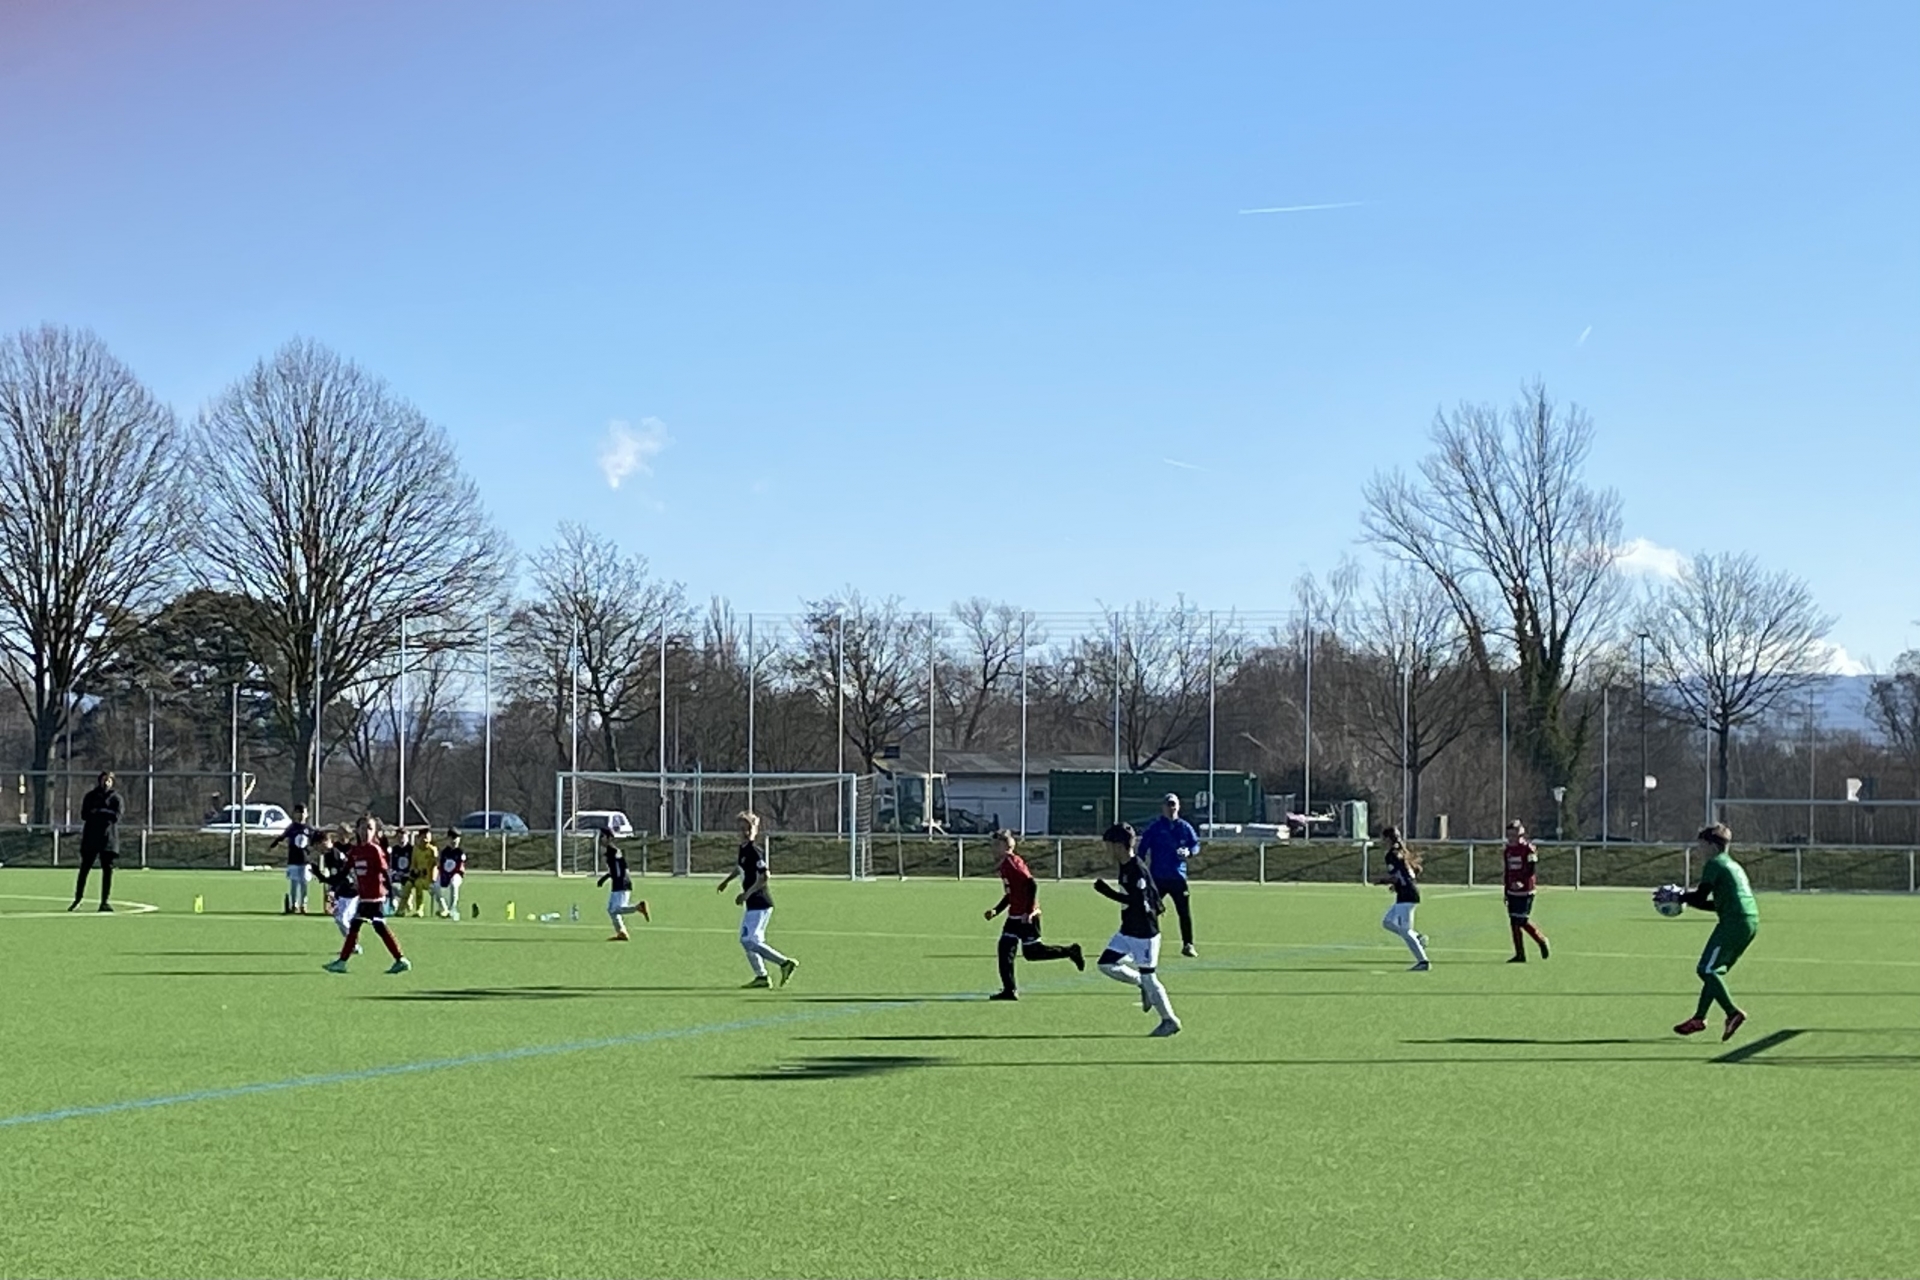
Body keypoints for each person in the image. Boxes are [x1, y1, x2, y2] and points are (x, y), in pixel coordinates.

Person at [1093, 822, 1181, 1037]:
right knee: (1106, 964)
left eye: (1108, 846)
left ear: (1119, 846)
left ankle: (1169, 1020)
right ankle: (1141, 983)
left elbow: (1139, 901)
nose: (1107, 851)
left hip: (1144, 933)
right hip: (1128, 930)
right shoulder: (1126, 865)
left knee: (1150, 977)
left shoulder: (1136, 870)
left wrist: (1107, 892)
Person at [1672, 823, 1759, 1041]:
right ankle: (1698, 1018)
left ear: (1711, 845)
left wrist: (1678, 897)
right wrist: (1683, 899)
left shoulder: (1715, 863)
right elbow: (1715, 904)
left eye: (1701, 845)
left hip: (1734, 923)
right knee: (1713, 971)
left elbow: (1700, 896)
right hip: (1747, 921)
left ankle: (1732, 1012)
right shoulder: (1732, 865)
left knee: (1707, 970)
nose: (1699, 850)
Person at [983, 830, 1083, 1000]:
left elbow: (1032, 884)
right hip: (1015, 916)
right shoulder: (1005, 865)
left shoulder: (1012, 863)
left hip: (1026, 917)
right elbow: (1012, 894)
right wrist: (996, 910)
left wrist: (1029, 911)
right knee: (1005, 950)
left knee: (1032, 953)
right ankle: (1010, 990)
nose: (993, 848)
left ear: (1006, 846)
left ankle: (1071, 951)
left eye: (996, 845)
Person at [715, 811, 797, 988]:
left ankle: (784, 963)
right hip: (753, 905)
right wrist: (726, 881)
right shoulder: (744, 849)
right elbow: (740, 868)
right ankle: (762, 977)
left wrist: (746, 894)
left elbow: (765, 876)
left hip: (760, 903)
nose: (744, 832)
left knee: (749, 940)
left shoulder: (754, 851)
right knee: (747, 941)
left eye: (748, 829)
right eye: (741, 829)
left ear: (754, 830)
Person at [324, 815, 410, 974]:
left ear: (375, 831)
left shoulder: (375, 850)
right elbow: (343, 873)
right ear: (357, 830)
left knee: (369, 927)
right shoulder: (355, 851)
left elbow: (385, 873)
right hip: (364, 897)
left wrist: (391, 896)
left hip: (375, 897)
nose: (366, 832)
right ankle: (399, 959)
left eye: (370, 828)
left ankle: (343, 962)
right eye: (363, 828)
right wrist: (325, 879)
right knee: (364, 927)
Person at [1138, 793, 1201, 956]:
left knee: (1184, 912)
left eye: (1173, 805)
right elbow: (1142, 849)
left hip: (1178, 877)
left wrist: (1189, 852)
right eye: (1168, 805)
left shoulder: (1185, 827)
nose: (1171, 808)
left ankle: (1188, 944)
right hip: (1157, 877)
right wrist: (1139, 870)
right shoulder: (1155, 827)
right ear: (1163, 807)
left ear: (1178, 806)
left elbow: (1195, 845)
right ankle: (1147, 943)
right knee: (1149, 911)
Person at [69, 770, 123, 912]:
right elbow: (85, 814)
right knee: (84, 868)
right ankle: (78, 899)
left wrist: (98, 812)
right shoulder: (90, 796)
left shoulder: (116, 798)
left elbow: (116, 816)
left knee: (107, 871)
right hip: (91, 837)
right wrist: (102, 813)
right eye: (104, 780)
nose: (106, 783)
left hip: (108, 839)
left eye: (109, 781)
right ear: (100, 780)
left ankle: (104, 902)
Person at [1378, 826, 1430, 970]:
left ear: (1388, 839)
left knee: (1405, 930)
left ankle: (1423, 961)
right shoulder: (1400, 852)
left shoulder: (1392, 855)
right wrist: (1398, 884)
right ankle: (1417, 937)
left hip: (1407, 895)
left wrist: (1382, 881)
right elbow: (1411, 872)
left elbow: (1396, 876)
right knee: (1388, 922)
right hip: (1406, 893)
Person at [1501, 820, 1551, 962]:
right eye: (1509, 835)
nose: (1511, 838)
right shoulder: (1507, 851)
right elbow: (1507, 871)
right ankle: (1520, 954)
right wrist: (1506, 890)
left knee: (1522, 920)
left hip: (1526, 890)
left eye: (1514, 835)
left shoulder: (1529, 849)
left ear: (1520, 834)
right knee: (1514, 922)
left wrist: (1522, 882)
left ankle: (1541, 940)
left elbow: (1531, 869)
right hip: (1512, 891)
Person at [596, 829, 651, 941]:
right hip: (619, 882)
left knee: (615, 909)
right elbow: (615, 869)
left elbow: (618, 869)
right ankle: (621, 933)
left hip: (621, 883)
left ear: (608, 838)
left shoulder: (613, 851)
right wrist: (604, 878)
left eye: (602, 836)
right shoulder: (611, 851)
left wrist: (618, 879)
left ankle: (638, 907)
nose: (601, 839)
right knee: (611, 909)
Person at [269, 804, 321, 915]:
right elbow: (282, 837)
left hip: (305, 860)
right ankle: (293, 904)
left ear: (307, 814)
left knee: (304, 883)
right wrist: (273, 845)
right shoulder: (292, 828)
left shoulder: (309, 829)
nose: (301, 815)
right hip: (293, 860)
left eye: (303, 813)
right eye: (298, 812)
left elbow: (318, 840)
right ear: (294, 814)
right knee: (294, 883)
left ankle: (303, 905)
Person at [433, 829, 467, 919]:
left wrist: (450, 875)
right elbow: (441, 866)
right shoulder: (444, 852)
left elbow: (460, 868)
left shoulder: (460, 853)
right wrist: (442, 876)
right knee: (435, 886)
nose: (454, 841)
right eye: (452, 838)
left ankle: (453, 909)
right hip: (445, 874)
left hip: (456, 875)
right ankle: (444, 909)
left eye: (456, 838)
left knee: (454, 883)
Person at [404, 828, 438, 917]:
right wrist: (413, 872)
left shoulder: (432, 850)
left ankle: (419, 909)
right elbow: (413, 864)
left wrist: (433, 878)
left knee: (418, 884)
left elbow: (435, 865)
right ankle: (401, 909)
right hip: (417, 876)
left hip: (428, 879)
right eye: (423, 837)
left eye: (427, 836)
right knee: (407, 885)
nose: (424, 839)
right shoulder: (416, 849)